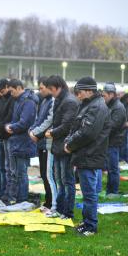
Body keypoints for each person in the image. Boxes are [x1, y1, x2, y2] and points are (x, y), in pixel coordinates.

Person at [64, 77, 110, 236]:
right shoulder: (88, 104)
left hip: (90, 156)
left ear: (90, 90)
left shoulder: (97, 106)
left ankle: (91, 226)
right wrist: (69, 140)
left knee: (90, 195)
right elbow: (76, 127)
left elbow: (88, 133)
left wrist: (70, 145)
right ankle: (87, 222)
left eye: (80, 91)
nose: (78, 94)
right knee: (87, 194)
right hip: (86, 155)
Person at [44, 75, 79, 219]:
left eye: (51, 89)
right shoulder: (59, 99)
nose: (50, 92)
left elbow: (67, 125)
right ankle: (59, 209)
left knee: (67, 181)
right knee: (59, 180)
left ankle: (68, 212)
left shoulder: (69, 101)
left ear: (59, 87)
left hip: (65, 146)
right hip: (58, 146)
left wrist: (52, 132)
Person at [1, 79, 37, 204]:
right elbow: (16, 120)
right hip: (17, 141)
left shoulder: (28, 102)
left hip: (24, 142)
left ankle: (22, 199)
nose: (10, 94)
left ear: (18, 88)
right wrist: (10, 125)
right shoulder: (19, 101)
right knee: (16, 172)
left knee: (21, 173)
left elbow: (25, 122)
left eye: (11, 91)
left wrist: (10, 127)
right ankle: (16, 198)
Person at [29, 76, 57, 211]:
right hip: (41, 142)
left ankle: (52, 204)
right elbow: (38, 119)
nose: (39, 91)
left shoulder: (52, 101)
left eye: (41, 88)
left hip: (48, 142)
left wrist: (36, 133)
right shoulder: (43, 101)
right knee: (43, 173)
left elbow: (49, 121)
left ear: (49, 88)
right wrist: (32, 131)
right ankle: (48, 201)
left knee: (48, 174)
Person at [102, 82, 126, 196]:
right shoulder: (110, 105)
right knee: (110, 168)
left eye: (104, 95)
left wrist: (100, 131)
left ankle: (114, 191)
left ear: (112, 94)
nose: (103, 98)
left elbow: (113, 126)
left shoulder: (118, 107)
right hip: (108, 141)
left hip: (113, 141)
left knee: (113, 168)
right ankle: (109, 191)